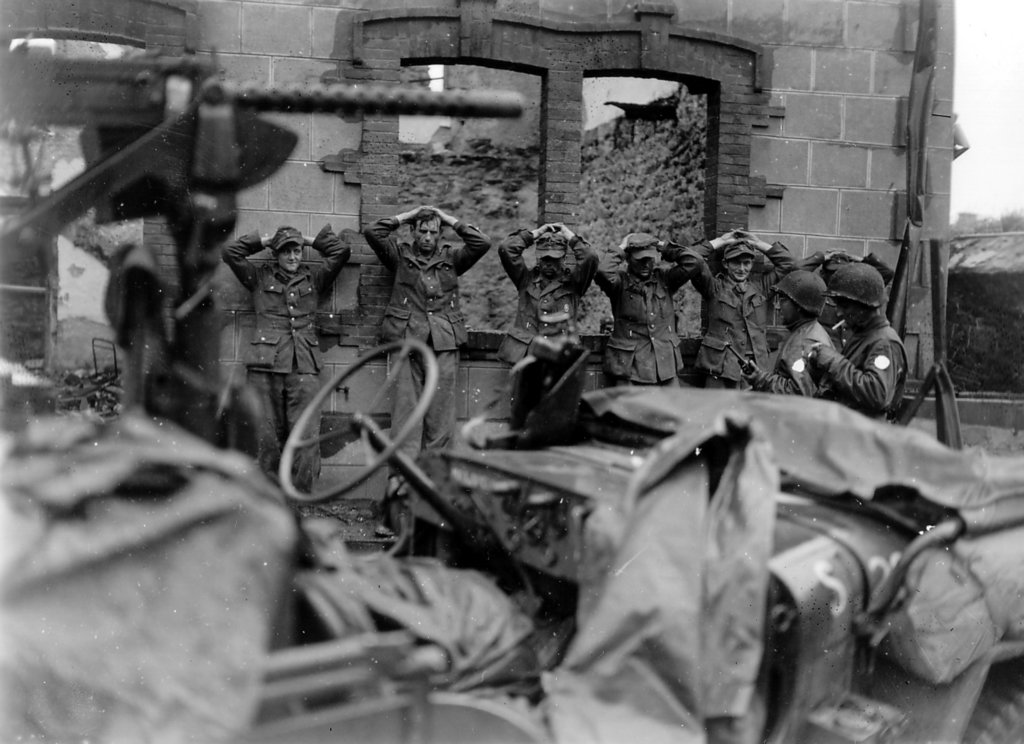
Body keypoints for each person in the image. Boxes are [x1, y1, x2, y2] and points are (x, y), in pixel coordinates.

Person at [363, 205, 491, 505]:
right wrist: (407, 215)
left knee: (440, 424)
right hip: (408, 344)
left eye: (434, 232)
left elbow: (481, 243)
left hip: (443, 345)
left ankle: (433, 503)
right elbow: (372, 232)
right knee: (406, 421)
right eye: (422, 231)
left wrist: (448, 218)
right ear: (413, 232)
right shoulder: (399, 256)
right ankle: (397, 504)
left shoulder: (452, 259)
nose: (428, 238)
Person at [222, 223, 351, 492]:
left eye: (297, 251)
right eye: (286, 252)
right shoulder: (258, 277)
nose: (293, 257)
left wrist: (307, 239)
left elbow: (341, 252)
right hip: (264, 367)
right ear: (275, 254)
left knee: (305, 436)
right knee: (266, 436)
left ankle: (299, 498)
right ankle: (269, 498)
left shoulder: (314, 278)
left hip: (304, 366)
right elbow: (230, 252)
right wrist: (265, 239)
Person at [679, 230, 795, 388]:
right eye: (736, 262)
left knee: (751, 412)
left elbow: (789, 264)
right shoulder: (713, 287)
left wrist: (757, 243)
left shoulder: (761, 287)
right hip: (720, 368)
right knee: (718, 411)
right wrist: (721, 240)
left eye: (746, 263)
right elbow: (690, 257)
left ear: (752, 264)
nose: (741, 268)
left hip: (755, 367)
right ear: (726, 264)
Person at [594, 232, 707, 386]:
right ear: (628, 259)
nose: (646, 264)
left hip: (665, 366)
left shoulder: (665, 279)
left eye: (649, 259)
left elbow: (696, 262)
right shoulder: (620, 283)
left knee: (670, 410)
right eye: (640, 260)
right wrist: (621, 247)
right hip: (630, 368)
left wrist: (663, 246)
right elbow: (602, 271)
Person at [807, 262, 908, 420]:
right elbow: (849, 383)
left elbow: (878, 394)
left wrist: (833, 361)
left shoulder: (884, 343)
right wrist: (819, 368)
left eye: (845, 307)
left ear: (866, 306)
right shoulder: (862, 335)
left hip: (864, 435)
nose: (839, 313)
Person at [496, 222, 598, 365]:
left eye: (554, 259)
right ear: (538, 258)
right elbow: (506, 249)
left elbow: (590, 257)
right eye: (545, 258)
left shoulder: (574, 283)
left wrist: (568, 235)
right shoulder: (525, 279)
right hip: (527, 356)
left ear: (563, 259)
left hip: (561, 357)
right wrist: (535, 233)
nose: (549, 263)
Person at [742, 270, 834, 397]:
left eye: (783, 300)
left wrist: (761, 380)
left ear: (799, 306)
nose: (777, 306)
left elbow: (799, 393)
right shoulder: (809, 331)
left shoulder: (804, 341)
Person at [795, 250, 895, 343]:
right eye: (832, 272)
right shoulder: (815, 293)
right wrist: (821, 258)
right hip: (825, 353)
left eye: (842, 272)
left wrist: (861, 261)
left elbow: (887, 272)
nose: (838, 276)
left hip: (850, 352)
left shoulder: (856, 294)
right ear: (823, 273)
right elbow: (794, 274)